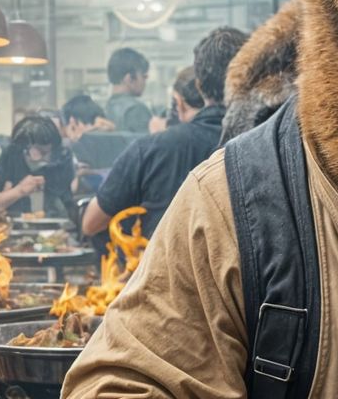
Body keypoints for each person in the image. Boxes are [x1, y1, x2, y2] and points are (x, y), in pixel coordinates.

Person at [82, 28, 245, 240]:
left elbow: (90, 223)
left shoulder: (150, 148)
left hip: (164, 268)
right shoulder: (267, 142)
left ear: (179, 101)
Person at [0, 113, 77, 222]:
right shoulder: (12, 153)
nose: (47, 159)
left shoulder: (62, 156)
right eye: (41, 152)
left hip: (56, 228)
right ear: (24, 149)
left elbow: (69, 203)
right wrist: (19, 191)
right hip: (16, 226)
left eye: (49, 152)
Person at [106, 47, 153, 135]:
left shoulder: (107, 107)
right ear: (129, 79)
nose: (144, 82)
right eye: (144, 77)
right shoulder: (136, 110)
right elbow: (149, 146)